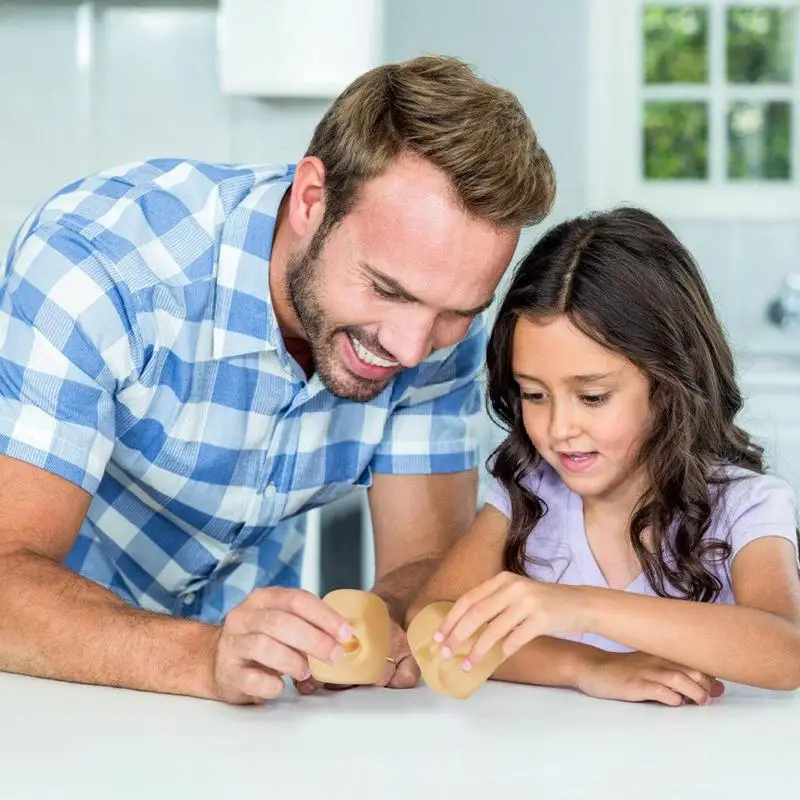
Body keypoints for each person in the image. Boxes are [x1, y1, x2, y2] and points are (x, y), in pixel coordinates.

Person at [0, 55, 555, 704]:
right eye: (385, 289)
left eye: (458, 312)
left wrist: (374, 631)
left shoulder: (431, 330)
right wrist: (205, 655)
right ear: (312, 201)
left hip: (253, 701)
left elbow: (422, 568)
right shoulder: (99, 262)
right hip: (41, 678)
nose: (411, 348)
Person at [408, 206, 800, 706]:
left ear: (671, 382)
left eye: (592, 397)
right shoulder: (532, 492)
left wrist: (581, 608)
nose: (559, 429)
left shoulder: (745, 505)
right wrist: (588, 664)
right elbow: (433, 622)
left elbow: (786, 651)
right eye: (534, 394)